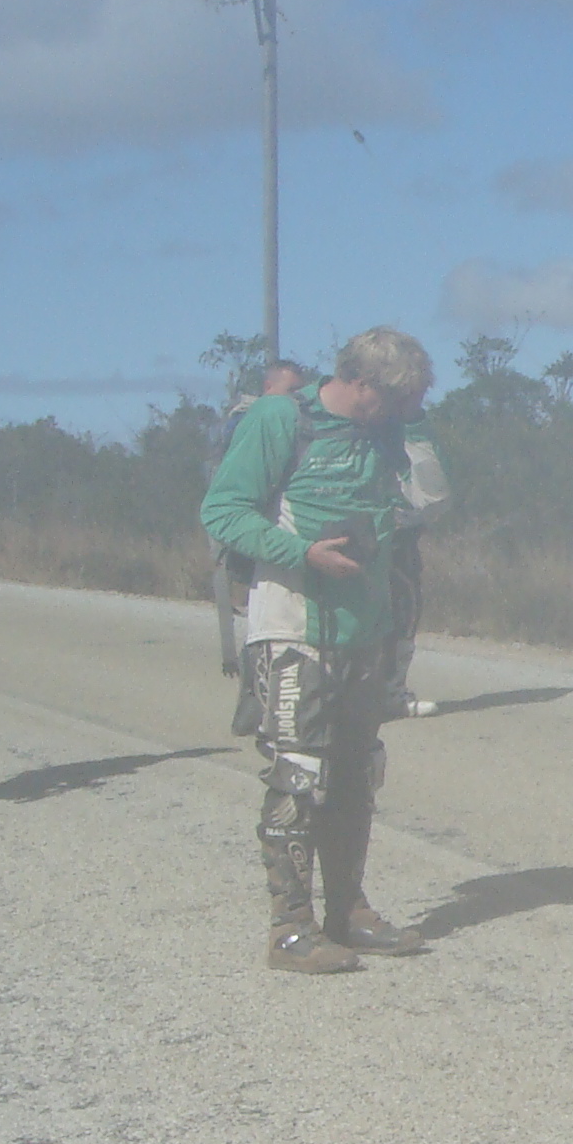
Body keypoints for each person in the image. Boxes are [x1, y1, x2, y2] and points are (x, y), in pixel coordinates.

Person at [200, 326, 437, 974]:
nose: (400, 411)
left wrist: (416, 426)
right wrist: (301, 553)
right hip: (293, 626)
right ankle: (290, 928)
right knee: (298, 775)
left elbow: (429, 500)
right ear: (358, 383)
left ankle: (347, 912)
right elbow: (223, 511)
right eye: (395, 399)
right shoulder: (282, 420)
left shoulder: (386, 432)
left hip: (365, 629)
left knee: (358, 772)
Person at [215, 357, 308, 720]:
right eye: (290, 389)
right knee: (263, 621)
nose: (296, 398)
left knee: (264, 617)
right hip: (253, 530)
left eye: (300, 391)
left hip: (276, 532)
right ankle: (258, 703)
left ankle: (261, 703)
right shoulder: (250, 420)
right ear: (269, 388)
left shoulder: (294, 420)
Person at [382, 412, 450, 718]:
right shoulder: (355, 423)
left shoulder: (414, 428)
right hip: (363, 530)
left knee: (405, 610)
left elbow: (437, 491)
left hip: (401, 532)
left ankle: (391, 692)